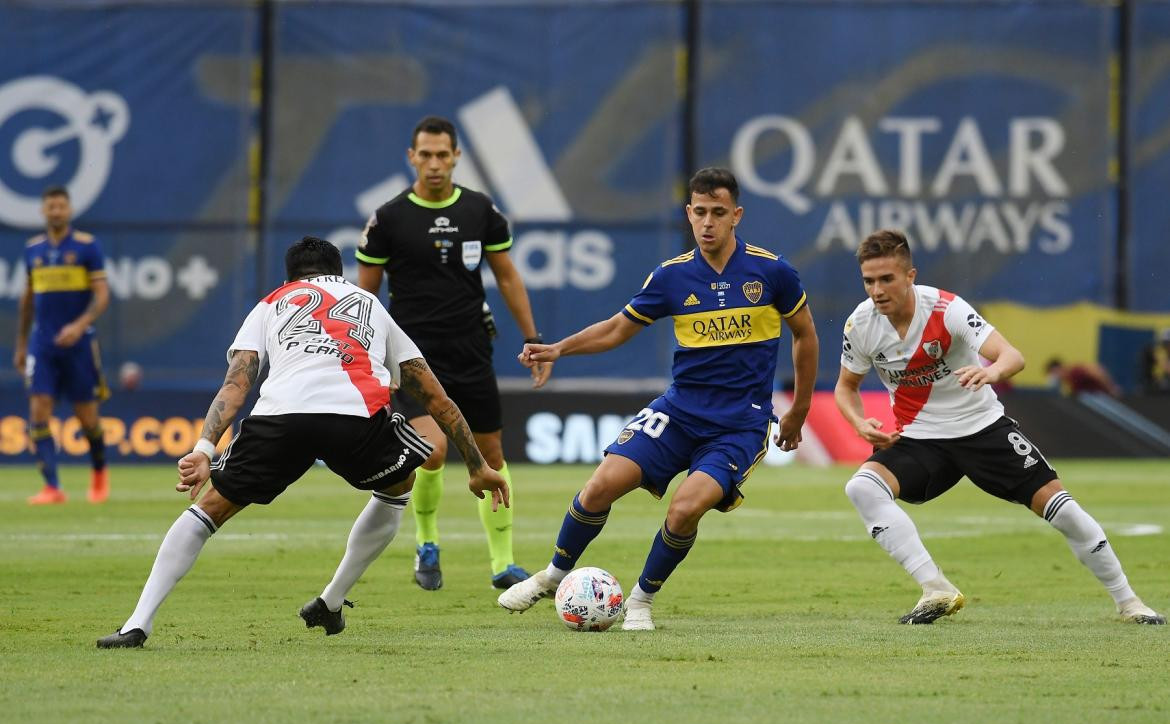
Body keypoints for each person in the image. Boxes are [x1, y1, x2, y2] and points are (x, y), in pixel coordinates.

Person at [96, 237, 508, 648]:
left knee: (210, 508)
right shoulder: (370, 305)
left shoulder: (271, 302)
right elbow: (436, 397)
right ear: (340, 273)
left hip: (281, 417)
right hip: (356, 419)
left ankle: (138, 622)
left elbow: (237, 382)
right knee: (399, 484)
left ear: (291, 275)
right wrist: (477, 465)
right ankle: (332, 599)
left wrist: (205, 450)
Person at [497, 167, 819, 630]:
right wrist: (559, 348)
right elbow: (616, 328)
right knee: (601, 485)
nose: (708, 222)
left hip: (740, 424)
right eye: (700, 212)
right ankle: (552, 576)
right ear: (688, 214)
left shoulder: (772, 272)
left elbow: (805, 336)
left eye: (719, 213)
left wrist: (799, 411)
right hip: (678, 411)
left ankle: (641, 602)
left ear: (737, 216)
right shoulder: (672, 277)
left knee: (686, 508)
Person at [835, 229, 1164, 625]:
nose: (877, 290)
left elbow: (1012, 356)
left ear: (910, 276)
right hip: (920, 439)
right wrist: (858, 422)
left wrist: (990, 371)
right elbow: (846, 387)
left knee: (1064, 511)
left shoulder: (947, 309)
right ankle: (935, 589)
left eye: (886, 279)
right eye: (869, 281)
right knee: (862, 488)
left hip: (982, 429)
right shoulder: (861, 325)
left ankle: (1130, 603)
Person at [356, 115, 549, 592]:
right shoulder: (388, 219)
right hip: (414, 358)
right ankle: (427, 542)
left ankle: (502, 563)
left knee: (491, 455)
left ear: (457, 156)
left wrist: (532, 337)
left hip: (471, 351)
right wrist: (367, 355)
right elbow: (365, 298)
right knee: (433, 451)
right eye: (426, 154)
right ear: (411, 157)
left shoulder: (482, 211)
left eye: (444, 154)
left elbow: (507, 276)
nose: (435, 163)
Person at [13, 185, 110, 504]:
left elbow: (102, 295)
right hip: (43, 344)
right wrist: (22, 343)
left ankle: (98, 473)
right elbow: (27, 300)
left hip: (79, 344)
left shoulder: (86, 247)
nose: (56, 211)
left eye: (61, 206)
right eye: (51, 207)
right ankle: (52, 487)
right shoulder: (33, 250)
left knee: (88, 418)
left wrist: (79, 326)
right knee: (38, 410)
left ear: (69, 210)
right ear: (43, 211)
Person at [1045, 357, 1120, 397]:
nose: (1053, 377)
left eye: (1053, 373)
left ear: (1058, 369)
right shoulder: (1070, 382)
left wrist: (1111, 389)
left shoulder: (1075, 371)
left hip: (1103, 398)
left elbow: (1098, 371)